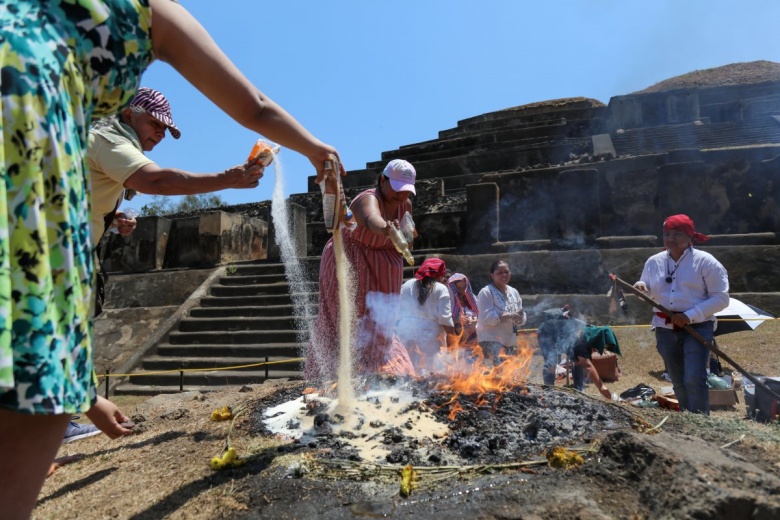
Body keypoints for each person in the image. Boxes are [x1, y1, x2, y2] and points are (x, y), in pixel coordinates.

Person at [0, 1, 340, 517]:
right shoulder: (134, 46)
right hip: (28, 214)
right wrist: (313, 153)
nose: (159, 134)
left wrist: (111, 221)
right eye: (156, 125)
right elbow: (234, 122)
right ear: (131, 110)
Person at [88, 86, 266, 246]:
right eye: (154, 123)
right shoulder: (111, 142)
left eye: (164, 128)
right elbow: (158, 181)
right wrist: (226, 179)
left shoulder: (105, 142)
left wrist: (112, 216)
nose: (160, 134)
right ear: (128, 115)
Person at [307, 160, 417, 380]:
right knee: (350, 322)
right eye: (397, 190)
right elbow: (370, 218)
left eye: (406, 192)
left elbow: (409, 231)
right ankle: (342, 378)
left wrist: (407, 233)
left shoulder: (405, 205)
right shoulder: (367, 199)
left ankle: (382, 375)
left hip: (384, 271)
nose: (401, 197)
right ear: (382, 180)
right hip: (352, 264)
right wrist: (387, 229)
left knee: (381, 324)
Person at [634, 214, 729, 414]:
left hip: (697, 325)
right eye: (667, 234)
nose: (670, 239)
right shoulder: (654, 262)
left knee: (694, 378)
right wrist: (642, 288)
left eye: (677, 234)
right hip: (665, 327)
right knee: (677, 380)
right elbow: (649, 290)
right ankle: (687, 419)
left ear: (689, 237)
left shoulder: (706, 262)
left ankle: (701, 422)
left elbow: (721, 298)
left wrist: (690, 315)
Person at [396, 259, 456, 372]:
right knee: (430, 372)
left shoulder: (407, 284)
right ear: (440, 274)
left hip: (405, 333)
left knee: (410, 370)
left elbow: (397, 309)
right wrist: (454, 338)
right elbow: (445, 318)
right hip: (429, 337)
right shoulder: (441, 288)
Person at [476, 260, 526, 365]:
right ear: (492, 275)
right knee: (498, 373)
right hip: (491, 339)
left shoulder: (514, 292)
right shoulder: (486, 292)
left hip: (508, 339)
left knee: (507, 372)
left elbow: (521, 313)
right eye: (499, 272)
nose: (504, 275)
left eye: (506, 272)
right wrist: (508, 315)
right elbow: (487, 318)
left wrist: (520, 318)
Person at [447, 273, 479, 348]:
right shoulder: (448, 301)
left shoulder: (472, 298)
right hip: (456, 340)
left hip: (473, 339)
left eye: (464, 287)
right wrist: (458, 320)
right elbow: (444, 319)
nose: (462, 291)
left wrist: (475, 320)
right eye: (459, 288)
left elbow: (479, 314)